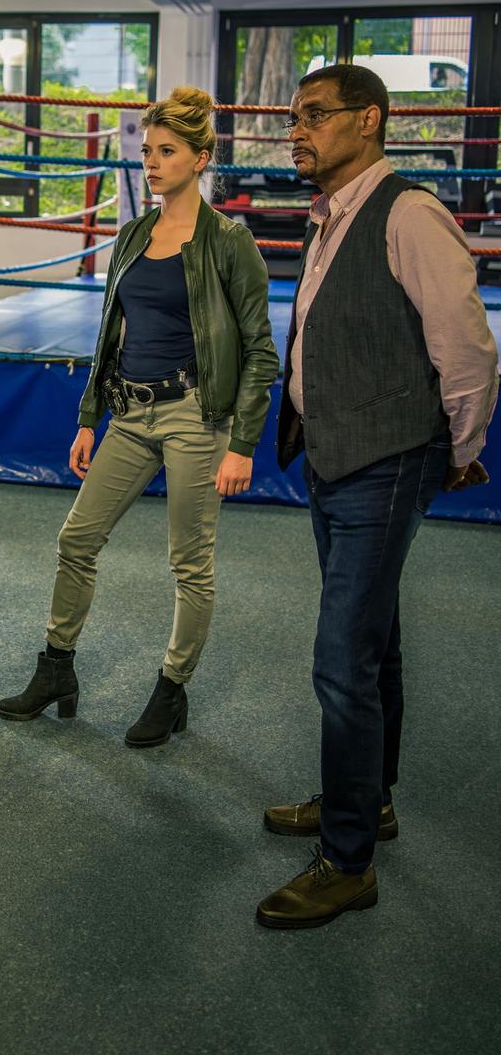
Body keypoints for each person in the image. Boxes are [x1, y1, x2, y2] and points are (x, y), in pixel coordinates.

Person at [255, 64, 497, 929]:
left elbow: (467, 350)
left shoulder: (409, 213)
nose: (297, 131)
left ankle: (348, 859)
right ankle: (370, 799)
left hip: (388, 458)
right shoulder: (333, 215)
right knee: (375, 642)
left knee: (341, 660)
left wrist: (457, 451)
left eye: (314, 116)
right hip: (337, 454)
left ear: (370, 121)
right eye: (295, 118)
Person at [0, 86, 278, 747]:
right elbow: (109, 336)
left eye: (167, 151)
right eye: (147, 151)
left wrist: (242, 442)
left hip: (194, 416)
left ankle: (172, 688)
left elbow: (262, 351)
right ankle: (57, 669)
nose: (152, 162)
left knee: (189, 563)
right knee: (76, 539)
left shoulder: (229, 243)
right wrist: (88, 418)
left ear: (201, 158)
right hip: (129, 411)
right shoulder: (131, 236)